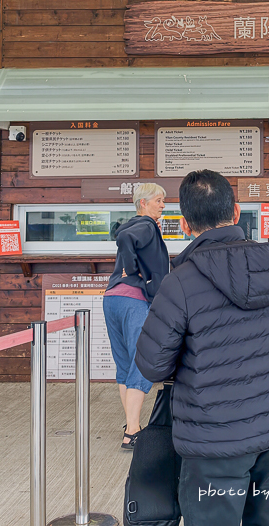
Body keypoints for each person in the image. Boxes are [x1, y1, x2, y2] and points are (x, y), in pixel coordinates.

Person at [135, 170, 269, 526]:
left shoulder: (179, 280)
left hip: (214, 437)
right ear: (237, 212)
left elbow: (151, 365)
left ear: (184, 224)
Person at [103, 183, 169, 449]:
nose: (163, 205)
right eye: (159, 201)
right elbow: (125, 240)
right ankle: (132, 432)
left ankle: (132, 423)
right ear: (143, 203)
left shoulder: (132, 224)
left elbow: (121, 235)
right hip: (134, 300)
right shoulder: (146, 225)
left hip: (112, 299)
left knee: (124, 366)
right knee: (142, 362)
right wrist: (134, 270)